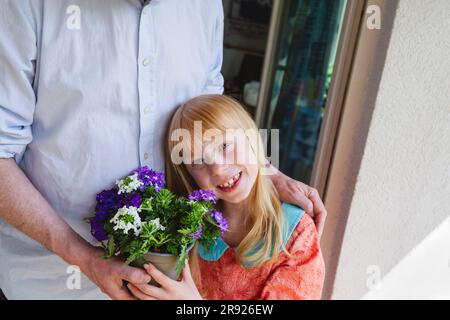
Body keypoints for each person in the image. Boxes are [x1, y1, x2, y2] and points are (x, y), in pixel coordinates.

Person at [0, 1, 326, 299]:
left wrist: (262, 171)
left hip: (167, 275)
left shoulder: (205, 6)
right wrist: (84, 256)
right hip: (52, 278)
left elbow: (211, 110)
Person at [126, 94, 325, 300]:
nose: (218, 169)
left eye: (225, 146)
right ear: (189, 175)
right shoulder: (189, 230)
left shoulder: (296, 234)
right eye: (198, 160)